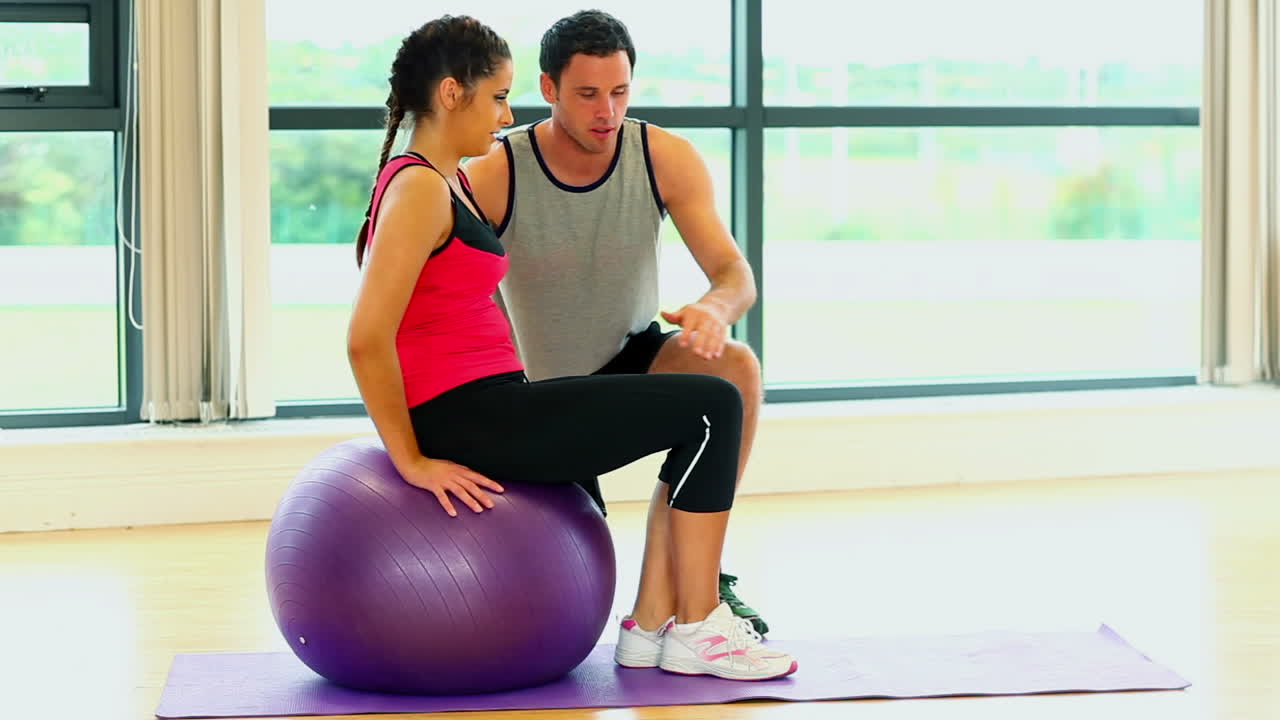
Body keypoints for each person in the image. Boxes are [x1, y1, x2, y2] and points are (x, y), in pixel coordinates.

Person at [345, 15, 796, 682]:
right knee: (709, 410)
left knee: (721, 387)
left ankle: (660, 622)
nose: (504, 113)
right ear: (450, 93)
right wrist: (409, 458)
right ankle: (698, 625)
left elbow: (411, 300)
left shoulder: (436, 181)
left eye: (620, 92)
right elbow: (365, 338)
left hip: (502, 401)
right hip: (479, 411)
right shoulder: (426, 186)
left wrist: (711, 309)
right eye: (497, 96)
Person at [462, 10, 770, 636]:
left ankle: (698, 584)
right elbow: (443, 294)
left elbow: (735, 275)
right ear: (548, 90)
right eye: (587, 94)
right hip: (537, 392)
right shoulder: (496, 172)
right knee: (568, 589)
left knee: (733, 368)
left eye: (620, 91)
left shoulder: (663, 157)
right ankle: (671, 597)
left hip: (630, 360)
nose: (608, 111)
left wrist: (713, 310)